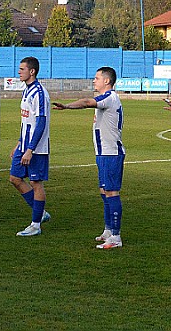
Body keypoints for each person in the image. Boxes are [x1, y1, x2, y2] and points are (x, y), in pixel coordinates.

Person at [53, 66, 125, 249]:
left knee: (111, 192)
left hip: (111, 154)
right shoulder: (107, 99)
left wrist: (67, 106)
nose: (94, 81)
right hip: (103, 153)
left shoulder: (110, 97)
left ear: (107, 81)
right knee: (104, 191)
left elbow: (86, 102)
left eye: (97, 78)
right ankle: (109, 230)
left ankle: (116, 237)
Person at [9, 57, 51, 237]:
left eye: (22, 69)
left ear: (31, 71)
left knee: (36, 182)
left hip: (36, 148)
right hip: (24, 145)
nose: (19, 72)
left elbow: (41, 123)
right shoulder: (27, 91)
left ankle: (35, 225)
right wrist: (20, 143)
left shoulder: (40, 93)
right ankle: (40, 213)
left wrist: (30, 149)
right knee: (15, 178)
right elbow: (27, 121)